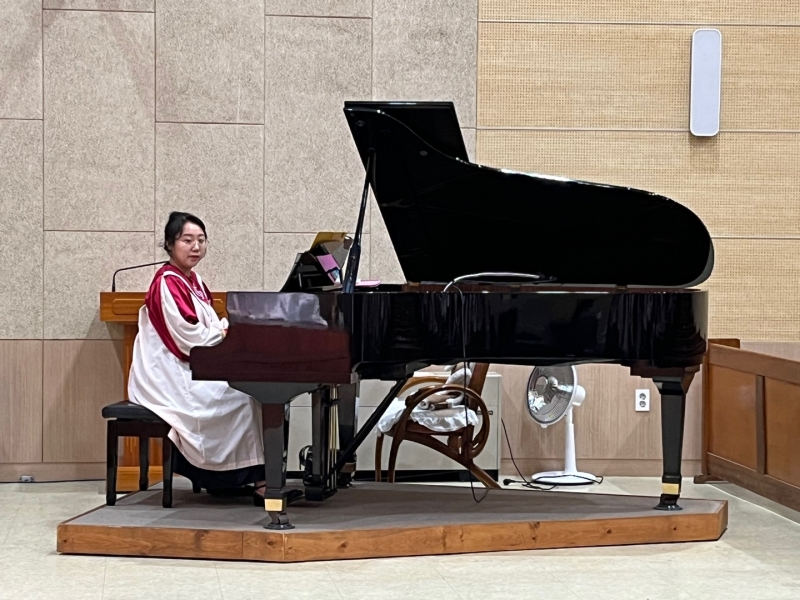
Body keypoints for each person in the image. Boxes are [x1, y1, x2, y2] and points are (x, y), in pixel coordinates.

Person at [128, 211, 265, 497]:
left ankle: (233, 479)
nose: (196, 247)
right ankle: (246, 480)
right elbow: (188, 337)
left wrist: (224, 330)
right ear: (170, 244)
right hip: (167, 372)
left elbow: (209, 323)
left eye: (201, 240)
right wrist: (224, 334)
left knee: (251, 393)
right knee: (244, 398)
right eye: (187, 240)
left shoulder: (194, 281)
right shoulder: (167, 282)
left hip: (188, 365)